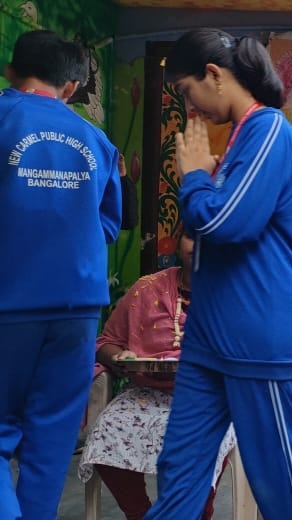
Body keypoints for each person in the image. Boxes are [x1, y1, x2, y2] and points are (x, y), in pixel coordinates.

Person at [141, 28, 292, 519]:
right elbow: (204, 225)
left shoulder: (268, 130)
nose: (192, 107)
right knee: (179, 470)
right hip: (209, 334)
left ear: (213, 74)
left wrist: (197, 176)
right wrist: (204, 183)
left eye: (188, 92)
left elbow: (226, 223)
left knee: (280, 479)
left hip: (254, 330)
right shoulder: (243, 138)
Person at [0, 29, 122, 520]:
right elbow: (109, 224)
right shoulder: (97, 139)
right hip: (77, 310)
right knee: (50, 444)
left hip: (9, 304)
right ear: (71, 87)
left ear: (10, 71)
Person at [79, 234, 237, 520]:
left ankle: (198, 513)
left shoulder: (236, 291)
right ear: (178, 243)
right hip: (145, 394)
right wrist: (119, 357)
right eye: (192, 236)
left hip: (212, 398)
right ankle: (139, 513)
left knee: (201, 442)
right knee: (107, 430)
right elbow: (106, 341)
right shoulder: (146, 289)